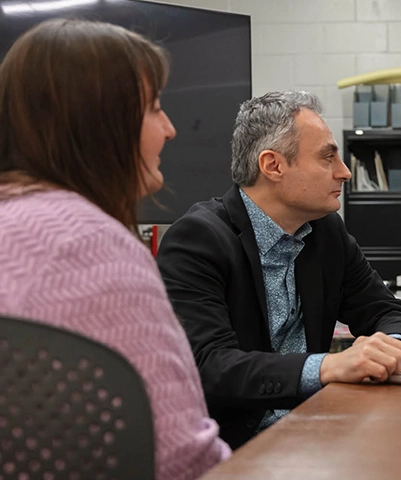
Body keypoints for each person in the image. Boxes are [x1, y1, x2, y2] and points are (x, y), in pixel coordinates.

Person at [0, 19, 230, 479]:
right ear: (100, 122)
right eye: (155, 109)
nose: (169, 130)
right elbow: (182, 458)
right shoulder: (86, 244)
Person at [156, 90, 401, 448]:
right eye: (327, 157)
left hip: (320, 431)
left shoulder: (325, 231)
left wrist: (395, 348)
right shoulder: (198, 239)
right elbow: (210, 367)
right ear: (273, 165)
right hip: (236, 448)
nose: (345, 172)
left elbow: (387, 312)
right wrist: (327, 367)